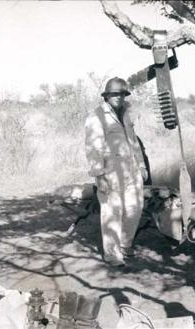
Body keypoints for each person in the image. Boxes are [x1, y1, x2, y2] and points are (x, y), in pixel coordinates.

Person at [84, 77, 148, 267]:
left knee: (134, 209)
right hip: (110, 172)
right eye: (114, 94)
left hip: (132, 170)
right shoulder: (96, 117)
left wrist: (142, 165)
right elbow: (93, 148)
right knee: (112, 212)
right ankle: (112, 255)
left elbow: (134, 142)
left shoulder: (126, 114)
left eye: (122, 94)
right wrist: (99, 175)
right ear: (106, 96)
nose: (118, 97)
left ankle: (126, 245)